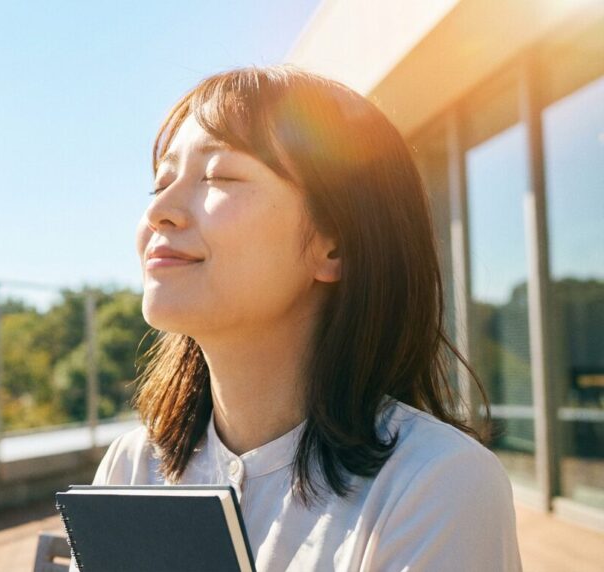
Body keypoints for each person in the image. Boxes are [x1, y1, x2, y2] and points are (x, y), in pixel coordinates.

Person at [71, 66, 522, 571]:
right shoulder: (133, 468)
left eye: (218, 175)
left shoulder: (438, 483)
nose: (161, 212)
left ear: (335, 243)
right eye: (159, 184)